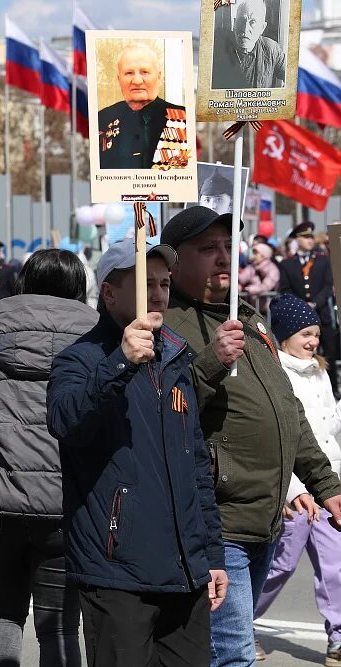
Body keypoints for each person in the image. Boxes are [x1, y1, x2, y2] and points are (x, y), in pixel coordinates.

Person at [159, 206, 341, 667]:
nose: (223, 258)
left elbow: (287, 410)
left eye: (226, 247)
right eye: (208, 249)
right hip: (220, 522)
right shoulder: (166, 325)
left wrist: (325, 485)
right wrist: (211, 361)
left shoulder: (250, 318)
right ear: (176, 260)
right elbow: (164, 413)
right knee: (233, 654)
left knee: (224, 650)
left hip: (265, 518)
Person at [47, 239, 228, 665]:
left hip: (184, 572)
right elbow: (66, 423)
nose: (161, 293)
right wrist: (120, 363)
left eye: (165, 283)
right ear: (109, 293)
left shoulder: (177, 356)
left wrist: (211, 556)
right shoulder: (81, 359)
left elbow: (196, 464)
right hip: (117, 569)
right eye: (147, 284)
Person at [0, 249, 96, 666]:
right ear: (80, 287)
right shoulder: (100, 342)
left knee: (2, 617)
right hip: (68, 505)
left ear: (22, 282)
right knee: (61, 627)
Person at [249, 295, 341, 664]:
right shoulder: (275, 372)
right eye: (306, 333)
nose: (313, 341)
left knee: (336, 566)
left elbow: (329, 427)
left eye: (317, 334)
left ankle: (338, 638)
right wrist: (294, 490)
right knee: (280, 565)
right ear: (284, 336)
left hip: (328, 484)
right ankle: (240, 621)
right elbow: (281, 438)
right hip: (294, 490)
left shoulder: (320, 370)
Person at [98, 44, 186, 170]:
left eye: (145, 72)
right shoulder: (101, 119)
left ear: (159, 77)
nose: (137, 81)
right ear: (119, 80)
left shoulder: (183, 118)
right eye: (129, 73)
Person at [279, 222, 337, 393]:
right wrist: (302, 307)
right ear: (297, 240)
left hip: (322, 315)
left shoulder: (323, 260)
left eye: (311, 237)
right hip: (300, 319)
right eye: (305, 237)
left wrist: (315, 303)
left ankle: (332, 388)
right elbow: (285, 289)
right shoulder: (288, 263)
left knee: (329, 352)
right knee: (303, 353)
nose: (310, 240)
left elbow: (328, 285)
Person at [212, 0, 286, 90]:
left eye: (252, 22)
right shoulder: (217, 48)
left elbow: (295, 79)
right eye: (241, 21)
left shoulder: (272, 49)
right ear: (234, 23)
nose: (245, 29)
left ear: (262, 28)